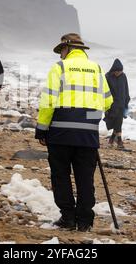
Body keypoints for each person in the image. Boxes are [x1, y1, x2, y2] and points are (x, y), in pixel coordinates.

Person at [35, 33, 113, 232]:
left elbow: (48, 101)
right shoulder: (96, 69)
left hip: (60, 134)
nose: (60, 54)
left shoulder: (59, 68)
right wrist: (89, 116)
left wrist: (42, 129)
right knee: (85, 178)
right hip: (88, 135)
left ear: (68, 48)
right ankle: (85, 221)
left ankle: (68, 218)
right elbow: (107, 102)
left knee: (61, 175)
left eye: (61, 50)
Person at [104, 59, 130, 150]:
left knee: (119, 121)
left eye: (121, 71)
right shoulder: (107, 77)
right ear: (114, 70)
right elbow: (104, 91)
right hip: (111, 104)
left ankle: (119, 141)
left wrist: (127, 101)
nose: (119, 73)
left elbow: (126, 89)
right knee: (114, 122)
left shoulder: (123, 76)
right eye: (118, 71)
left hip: (121, 103)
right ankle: (112, 140)